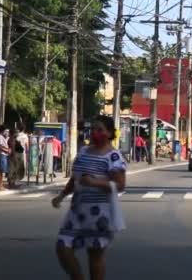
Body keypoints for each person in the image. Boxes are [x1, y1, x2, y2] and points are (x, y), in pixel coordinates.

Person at [52, 115, 126, 280]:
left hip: (100, 214)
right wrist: (62, 195)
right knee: (62, 247)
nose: (94, 132)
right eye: (93, 128)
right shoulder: (84, 151)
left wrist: (95, 182)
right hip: (77, 211)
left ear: (109, 133)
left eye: (99, 129)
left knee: (95, 256)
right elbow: (75, 178)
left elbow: (120, 184)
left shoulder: (113, 156)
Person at [0, 125, 10, 190]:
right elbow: (0, 146)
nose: (6, 132)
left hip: (3, 154)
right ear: (3, 130)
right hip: (1, 154)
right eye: (5, 131)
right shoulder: (0, 137)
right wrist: (6, 150)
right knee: (0, 171)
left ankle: (0, 184)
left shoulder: (1, 137)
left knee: (1, 171)